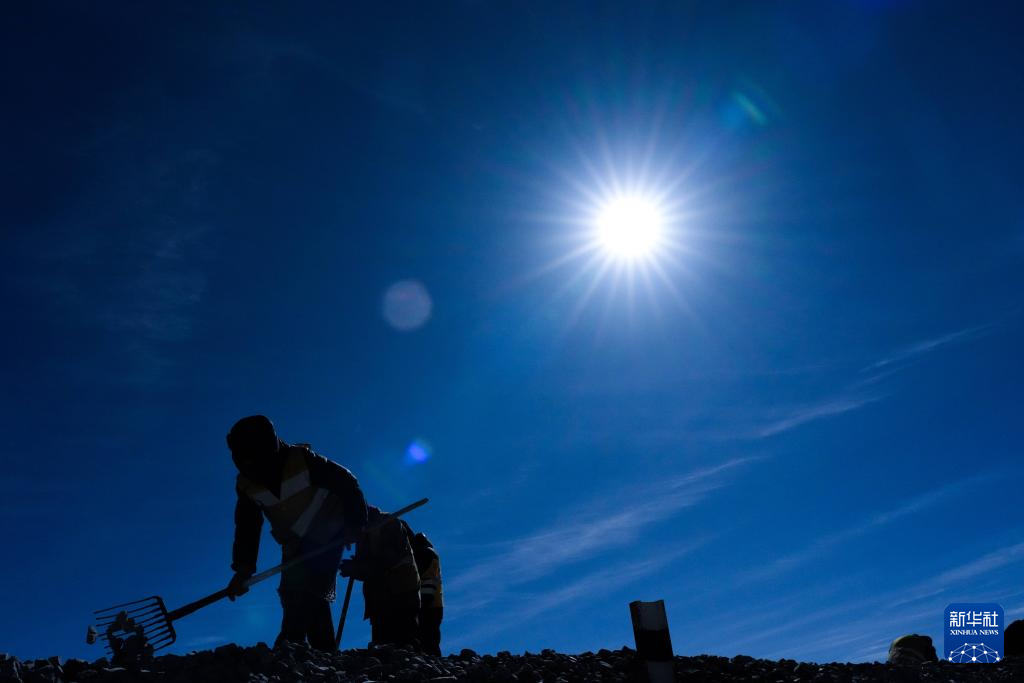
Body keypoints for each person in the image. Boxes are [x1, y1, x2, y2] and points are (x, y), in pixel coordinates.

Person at [224, 415, 367, 651]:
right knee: (296, 593)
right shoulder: (246, 484)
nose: (252, 467)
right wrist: (243, 569)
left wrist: (355, 523)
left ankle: (288, 645)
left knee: (306, 591)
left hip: (327, 529)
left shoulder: (301, 460)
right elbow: (247, 526)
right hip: (294, 542)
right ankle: (325, 653)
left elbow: (346, 482)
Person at [340, 505, 421, 648]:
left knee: (405, 640)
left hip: (401, 592)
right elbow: (370, 569)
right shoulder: (364, 534)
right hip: (379, 597)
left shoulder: (390, 523)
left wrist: (358, 568)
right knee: (382, 642)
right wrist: (356, 569)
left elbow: (389, 560)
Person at [403, 521, 444, 655]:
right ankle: (433, 658)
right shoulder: (430, 553)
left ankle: (432, 658)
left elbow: (428, 582)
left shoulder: (425, 554)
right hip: (435, 602)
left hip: (428, 601)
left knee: (428, 636)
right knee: (431, 636)